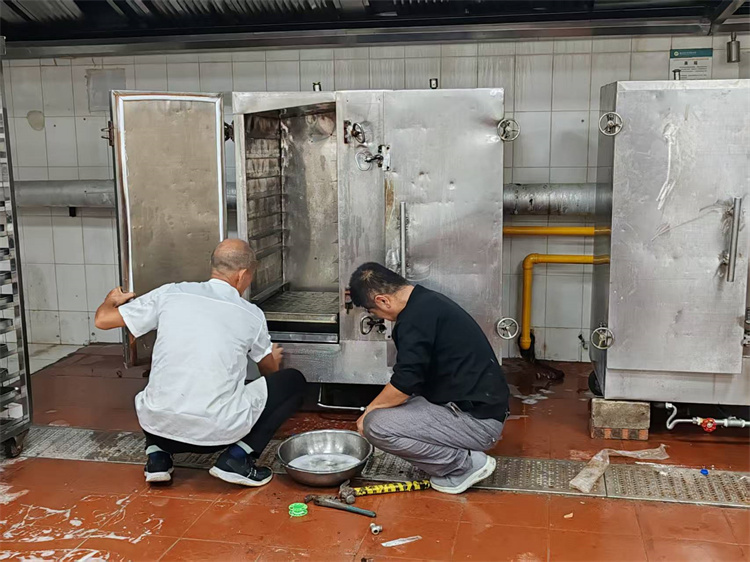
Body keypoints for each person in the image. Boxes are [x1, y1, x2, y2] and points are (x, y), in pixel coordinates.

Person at [94, 239, 307, 487]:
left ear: (213, 266)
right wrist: (273, 359)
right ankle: (237, 459)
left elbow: (102, 320)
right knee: (292, 382)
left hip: (157, 428)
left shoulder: (170, 293)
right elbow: (269, 373)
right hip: (216, 436)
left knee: (165, 380)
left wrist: (110, 300)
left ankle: (158, 456)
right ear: (242, 275)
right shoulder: (251, 314)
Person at [349, 262, 509, 495]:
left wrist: (368, 412)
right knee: (395, 408)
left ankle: (465, 465)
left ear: (383, 300)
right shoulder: (426, 302)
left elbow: (405, 383)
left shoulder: (413, 320)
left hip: (479, 423)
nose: (378, 317)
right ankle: (454, 456)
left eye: (373, 311)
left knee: (376, 425)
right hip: (479, 409)